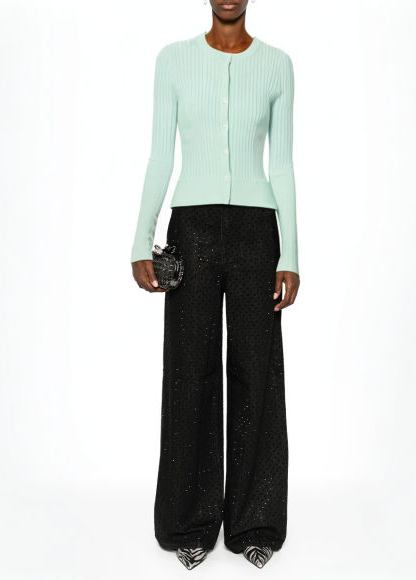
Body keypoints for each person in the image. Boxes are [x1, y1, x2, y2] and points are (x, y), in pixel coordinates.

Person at [130, 0, 300, 570]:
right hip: (193, 228)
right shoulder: (173, 60)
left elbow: (282, 165)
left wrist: (291, 254)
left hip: (257, 233)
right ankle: (189, 521)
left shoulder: (277, 65)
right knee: (189, 370)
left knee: (257, 370)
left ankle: (256, 521)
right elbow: (160, 155)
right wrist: (141, 239)